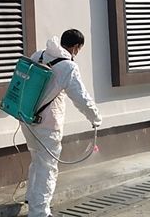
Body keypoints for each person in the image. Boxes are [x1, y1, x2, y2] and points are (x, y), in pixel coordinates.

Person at [21, 29, 102, 217]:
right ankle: (39, 212)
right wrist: (95, 118)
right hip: (47, 125)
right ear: (76, 47)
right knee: (48, 167)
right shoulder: (68, 67)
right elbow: (81, 98)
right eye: (79, 49)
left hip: (26, 118)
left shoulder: (39, 55)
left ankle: (31, 197)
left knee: (37, 160)